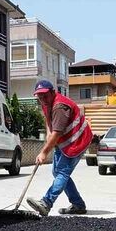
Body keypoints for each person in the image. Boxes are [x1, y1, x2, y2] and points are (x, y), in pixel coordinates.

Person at [26, 80, 93, 216]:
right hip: (64, 141)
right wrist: (48, 132)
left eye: (45, 95)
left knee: (62, 172)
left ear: (52, 92)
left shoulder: (60, 107)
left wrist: (44, 152)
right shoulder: (46, 103)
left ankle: (46, 202)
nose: (42, 99)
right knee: (58, 172)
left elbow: (57, 133)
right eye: (39, 96)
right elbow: (48, 119)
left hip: (77, 141)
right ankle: (78, 204)